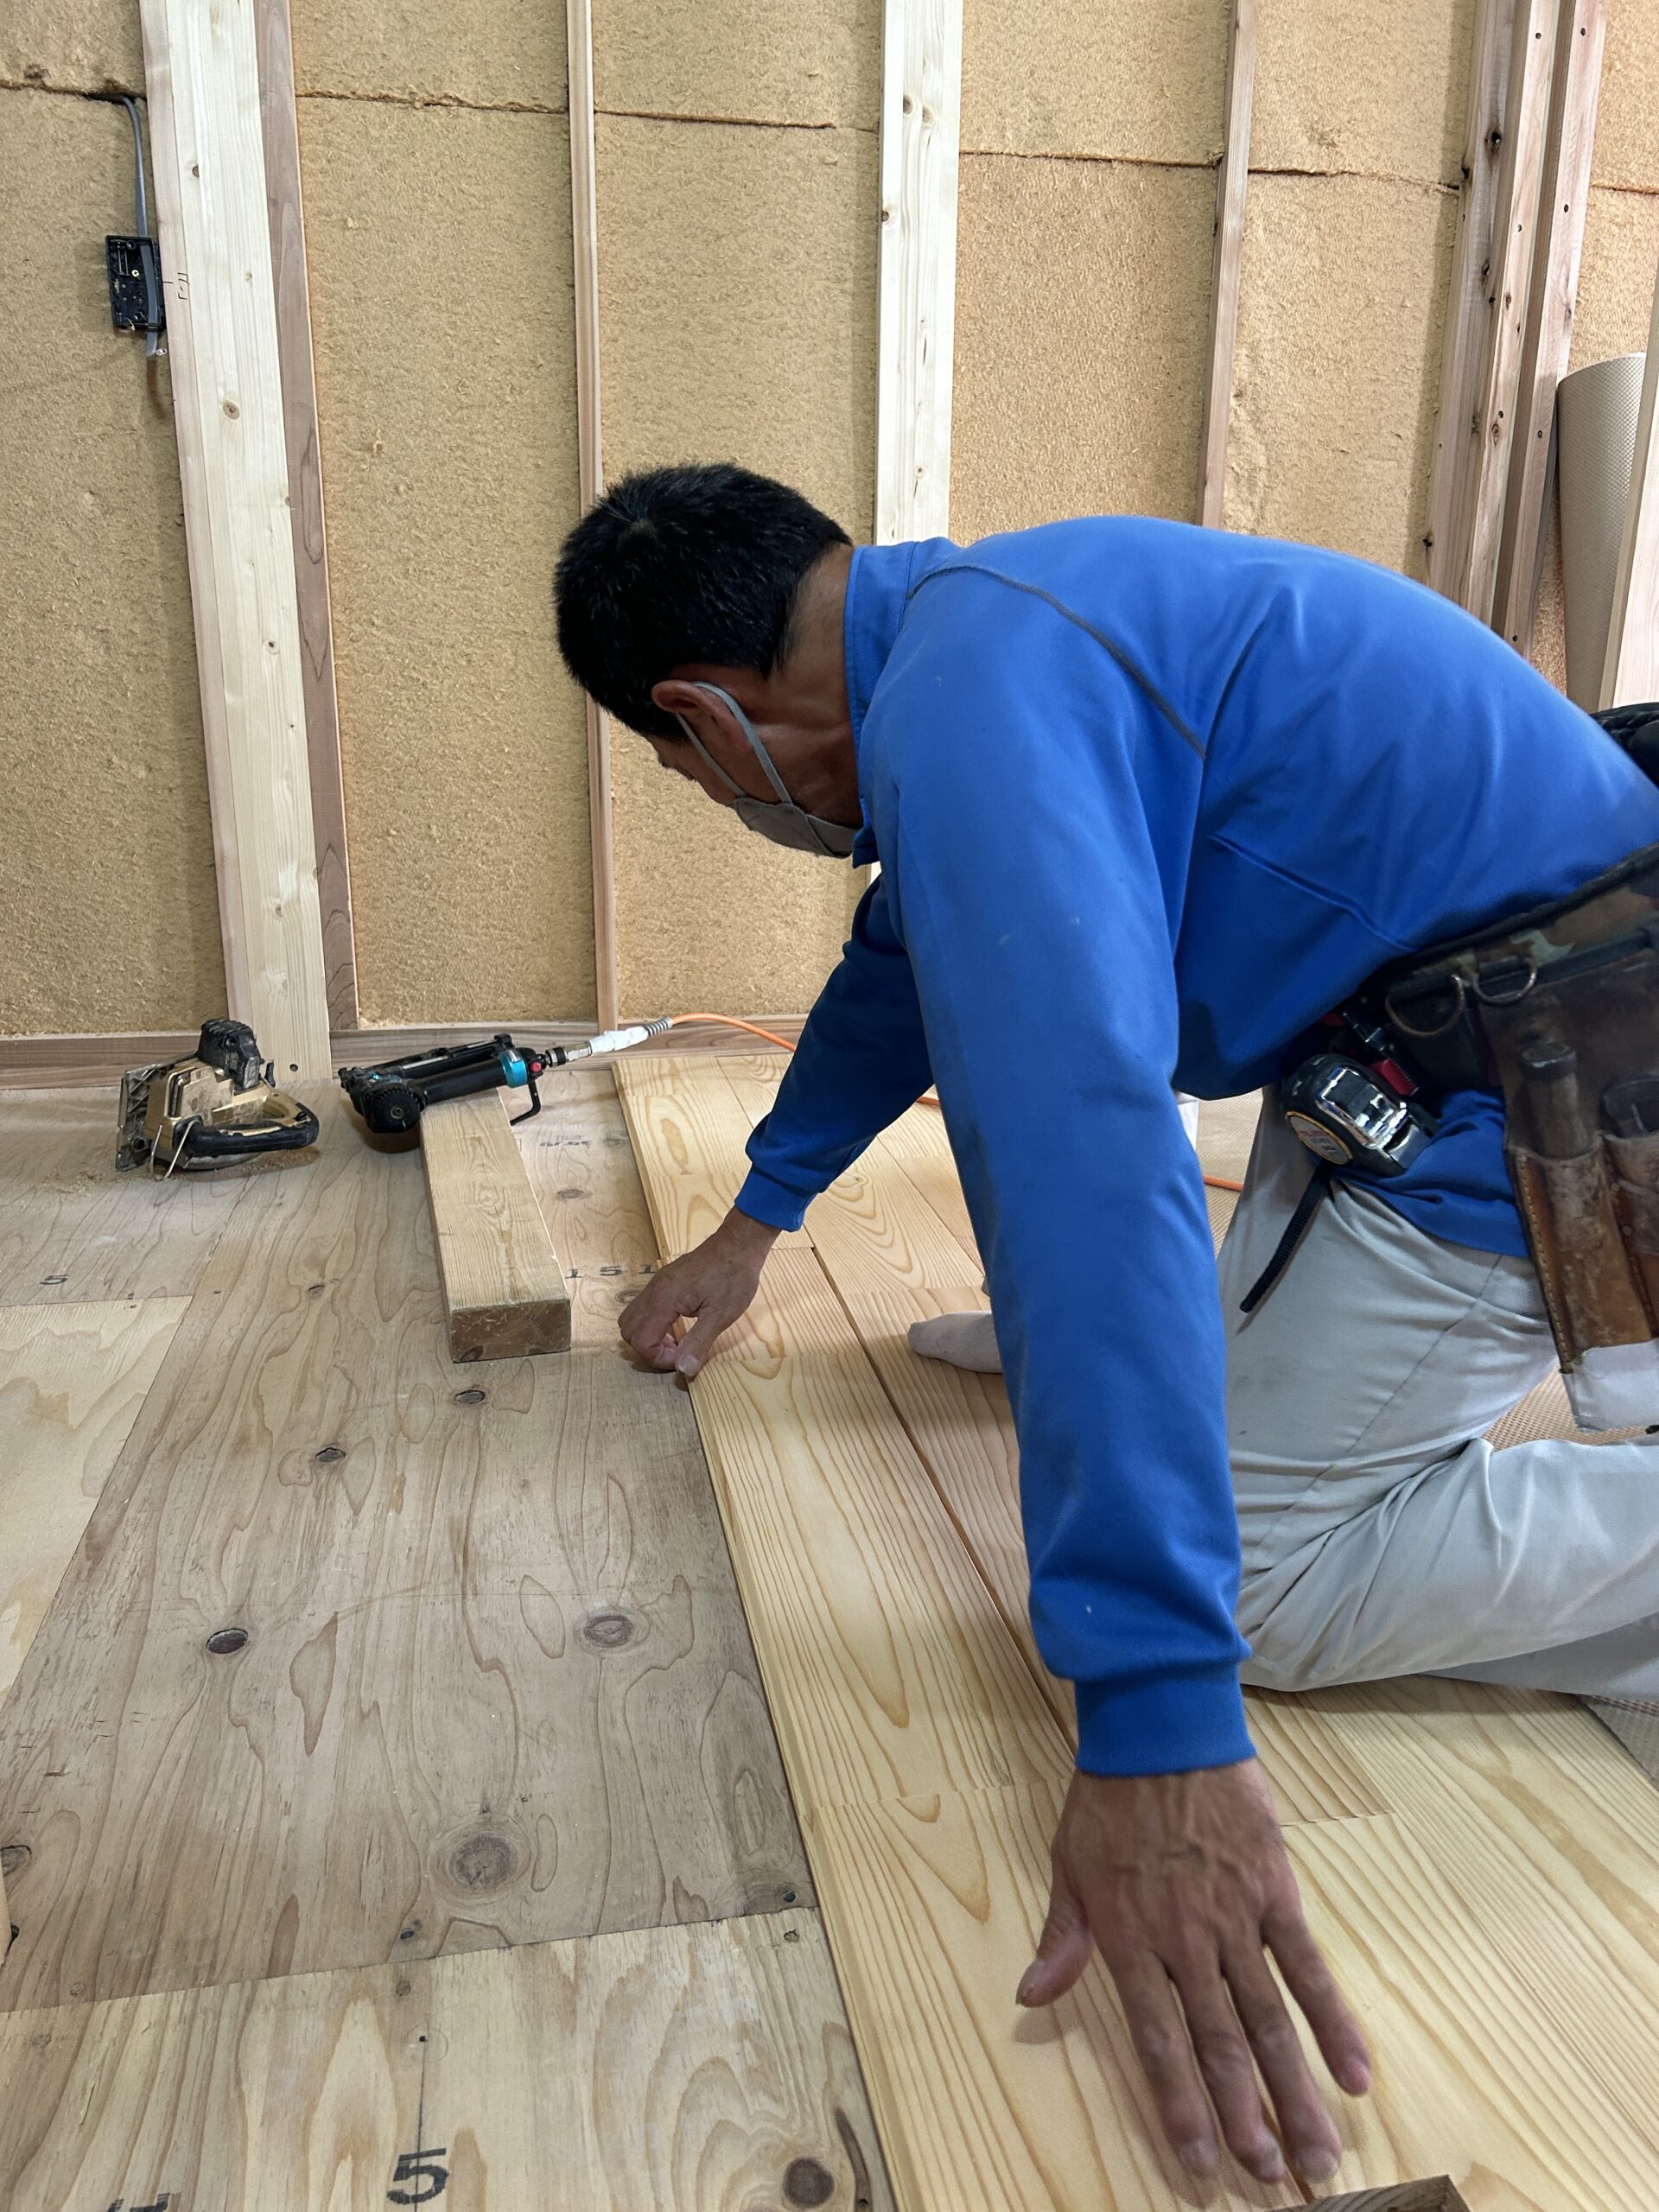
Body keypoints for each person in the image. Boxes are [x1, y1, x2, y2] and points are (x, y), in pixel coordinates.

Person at [554, 461, 1659, 2187]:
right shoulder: (980, 637)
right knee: (1172, 1417)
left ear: (703, 718)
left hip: (1560, 1099)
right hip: (1441, 1040)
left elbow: (1083, 1162)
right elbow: (902, 972)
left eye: (685, 772)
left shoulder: (971, 716)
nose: (718, 796)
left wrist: (1156, 1713)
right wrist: (757, 1220)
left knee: (1258, 1581)